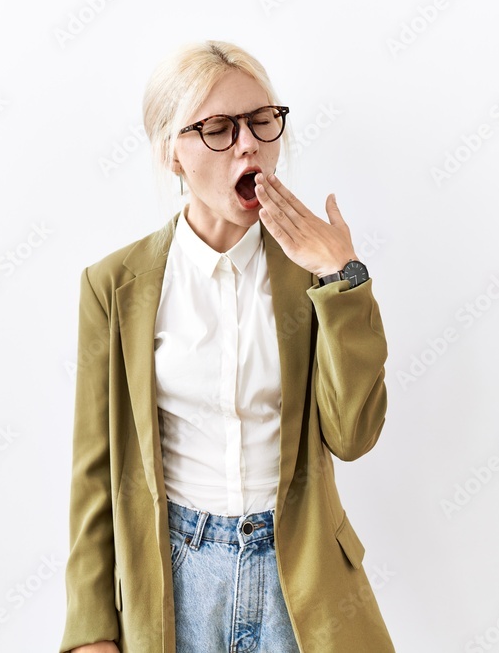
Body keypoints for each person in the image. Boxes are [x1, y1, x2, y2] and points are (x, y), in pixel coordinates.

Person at [60, 40, 396, 653]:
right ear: (172, 154)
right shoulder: (115, 286)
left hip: (301, 574)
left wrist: (342, 279)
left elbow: (353, 436)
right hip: (176, 578)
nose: (248, 144)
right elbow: (94, 471)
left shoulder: (312, 276)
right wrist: (90, 628)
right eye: (218, 128)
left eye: (262, 121)